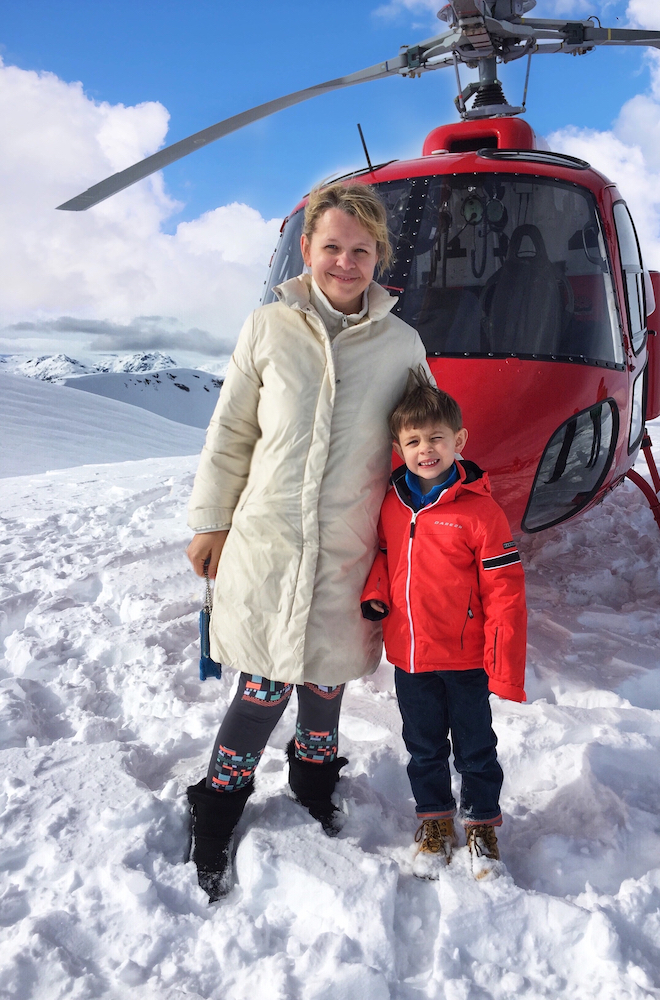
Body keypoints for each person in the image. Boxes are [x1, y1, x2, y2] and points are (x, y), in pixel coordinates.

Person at [185, 182, 428, 902]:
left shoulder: (403, 344)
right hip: (268, 542)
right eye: (332, 247)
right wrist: (212, 520)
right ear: (307, 250)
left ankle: (313, 780)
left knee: (327, 679)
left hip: (351, 545)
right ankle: (217, 802)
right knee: (262, 683)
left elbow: (424, 439)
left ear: (378, 255)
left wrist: (447, 518)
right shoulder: (268, 326)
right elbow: (231, 431)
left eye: (360, 250)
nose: (345, 262)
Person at [361, 369, 527, 880]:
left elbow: (506, 591)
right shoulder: (391, 503)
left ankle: (480, 824)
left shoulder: (481, 513)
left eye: (436, 439)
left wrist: (503, 666)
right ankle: (434, 820)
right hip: (410, 657)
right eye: (413, 441)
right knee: (423, 747)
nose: (425, 450)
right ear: (398, 447)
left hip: (465, 658)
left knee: (476, 747)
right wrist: (374, 594)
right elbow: (384, 556)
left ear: (459, 441)